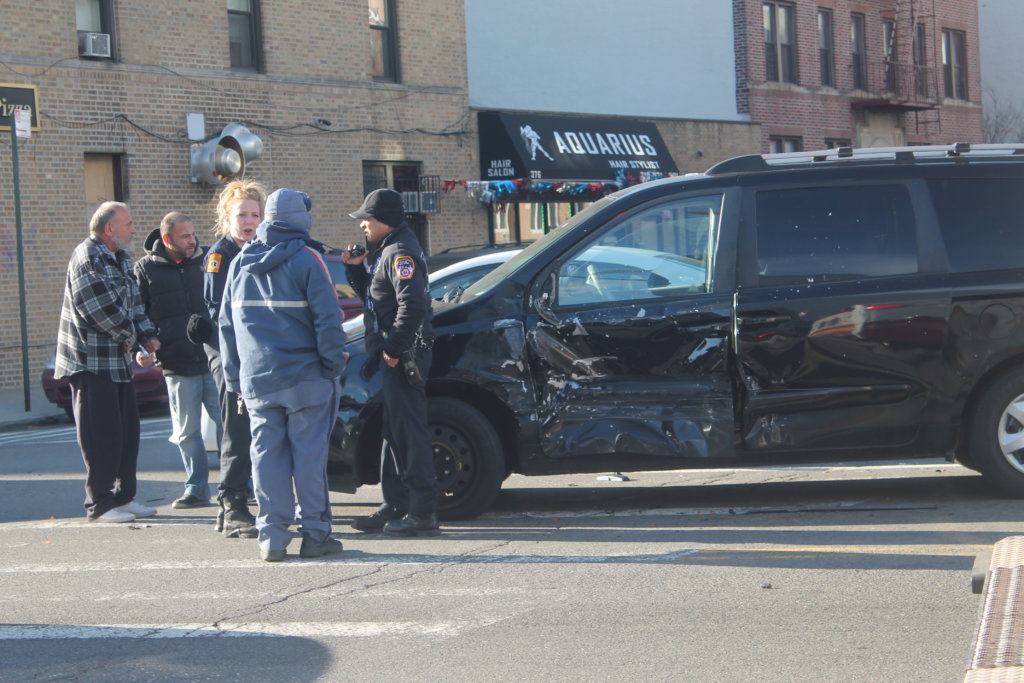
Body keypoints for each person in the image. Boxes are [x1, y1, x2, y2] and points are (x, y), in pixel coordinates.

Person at [218, 188, 348, 562]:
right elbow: (328, 320)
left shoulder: (240, 263)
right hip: (306, 378)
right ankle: (315, 534)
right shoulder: (308, 259)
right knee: (308, 458)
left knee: (266, 457)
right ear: (299, 219)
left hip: (257, 381)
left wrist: (235, 380)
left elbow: (226, 325)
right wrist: (333, 365)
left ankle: (272, 539)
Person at [55, 201, 161, 523]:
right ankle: (100, 504)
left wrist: (147, 336)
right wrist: (131, 338)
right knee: (101, 435)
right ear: (109, 228)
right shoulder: (87, 257)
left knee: (127, 433)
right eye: (128, 224)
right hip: (90, 363)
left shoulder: (121, 258)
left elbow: (135, 304)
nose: (134, 230)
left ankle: (123, 497)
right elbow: (97, 309)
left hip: (117, 364)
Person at [344, 189, 439, 537]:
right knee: (393, 431)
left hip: (406, 355)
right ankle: (395, 503)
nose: (363, 225)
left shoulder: (400, 252)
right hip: (397, 354)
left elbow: (412, 306)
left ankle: (422, 512)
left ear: (384, 219)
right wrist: (355, 271)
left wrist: (395, 349)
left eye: (367, 218)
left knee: (409, 433)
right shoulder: (387, 249)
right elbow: (376, 300)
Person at [134, 212, 222, 509]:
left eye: (193, 234)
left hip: (213, 359)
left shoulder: (209, 258)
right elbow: (138, 312)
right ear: (167, 239)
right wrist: (143, 345)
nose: (192, 240)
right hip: (176, 362)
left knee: (228, 425)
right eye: (185, 236)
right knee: (187, 432)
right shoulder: (145, 269)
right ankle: (196, 489)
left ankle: (239, 484)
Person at [201, 179, 265, 538]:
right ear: (227, 218)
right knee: (236, 427)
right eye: (242, 214)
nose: (249, 221)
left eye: (255, 214)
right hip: (227, 351)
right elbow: (218, 312)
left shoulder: (263, 250)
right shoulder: (220, 256)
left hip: (258, 351)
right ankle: (232, 503)